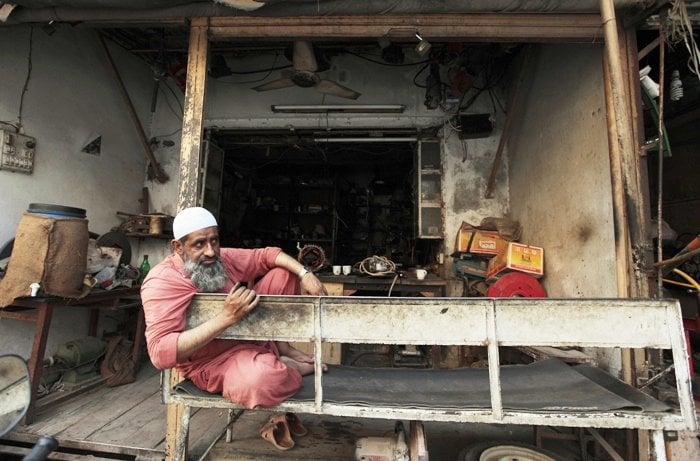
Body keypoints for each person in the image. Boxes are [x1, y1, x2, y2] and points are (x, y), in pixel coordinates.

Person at [141, 206, 328, 409]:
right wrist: (226, 318)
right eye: (199, 244)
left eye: (214, 240)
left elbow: (267, 255)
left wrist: (305, 273)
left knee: (285, 272)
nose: (211, 251)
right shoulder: (161, 281)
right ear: (178, 247)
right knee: (259, 383)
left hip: (252, 339)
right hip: (213, 362)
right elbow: (159, 353)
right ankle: (291, 368)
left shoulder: (221, 258)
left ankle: (281, 349)